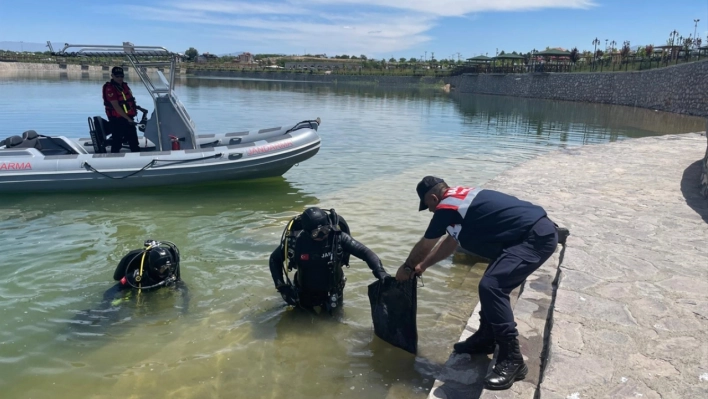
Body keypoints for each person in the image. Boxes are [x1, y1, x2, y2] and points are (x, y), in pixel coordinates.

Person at [395, 176, 562, 391]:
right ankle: (486, 337)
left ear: (434, 197)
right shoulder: (459, 200)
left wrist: (407, 267)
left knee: (492, 286)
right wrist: (423, 266)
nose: (429, 211)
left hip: (534, 238)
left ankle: (513, 359)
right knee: (491, 283)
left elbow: (426, 244)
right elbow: (450, 243)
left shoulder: (446, 207)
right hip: (524, 237)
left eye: (428, 206)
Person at [269, 207, 390, 312]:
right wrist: (282, 287)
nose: (322, 235)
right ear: (306, 232)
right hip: (304, 293)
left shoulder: (338, 238)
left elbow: (365, 252)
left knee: (335, 326)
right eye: (317, 233)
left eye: (325, 230)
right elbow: (274, 260)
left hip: (333, 291)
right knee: (300, 327)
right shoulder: (296, 242)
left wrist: (380, 271)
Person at [102, 66, 141, 153]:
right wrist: (128, 119)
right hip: (117, 120)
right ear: (112, 76)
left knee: (134, 141)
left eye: (121, 76)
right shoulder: (110, 88)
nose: (120, 78)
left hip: (128, 118)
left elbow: (126, 102)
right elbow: (116, 106)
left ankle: (136, 156)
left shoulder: (124, 86)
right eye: (117, 76)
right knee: (117, 141)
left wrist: (137, 108)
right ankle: (113, 159)